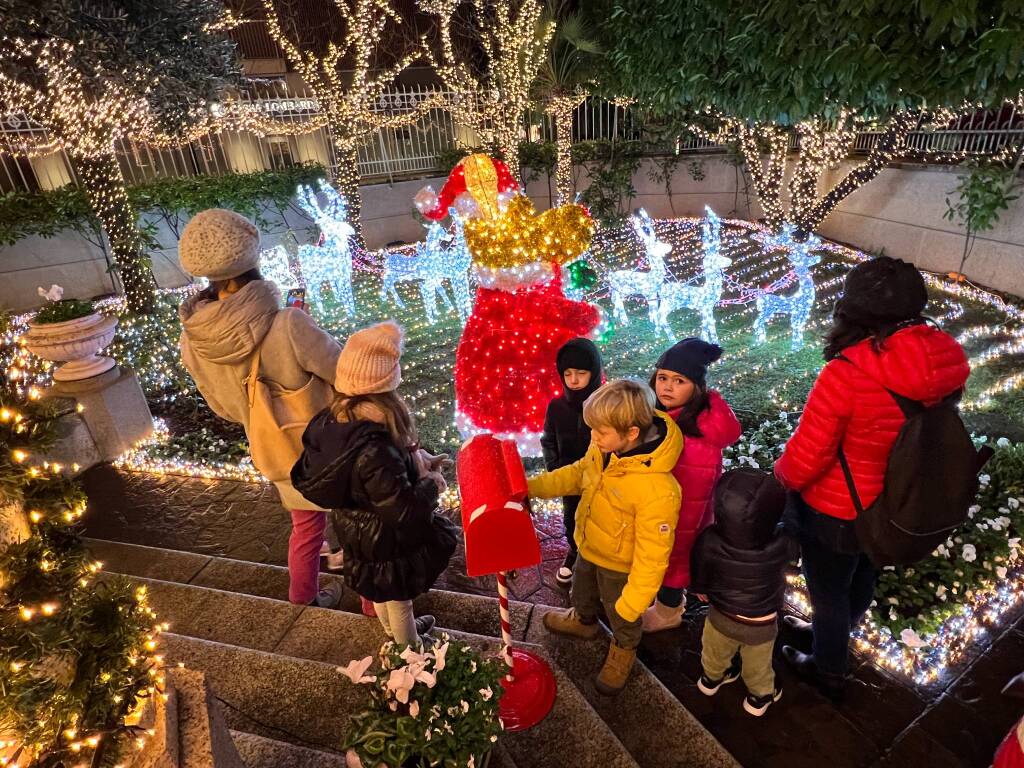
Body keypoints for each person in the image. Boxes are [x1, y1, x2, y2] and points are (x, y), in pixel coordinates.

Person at [774, 256, 969, 699]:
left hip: (839, 508)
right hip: (900, 503)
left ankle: (828, 668)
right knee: (863, 574)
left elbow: (810, 454)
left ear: (852, 310)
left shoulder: (848, 371)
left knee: (828, 592)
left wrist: (779, 479)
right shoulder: (946, 356)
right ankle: (834, 634)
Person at [178, 208, 346, 608]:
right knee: (357, 523)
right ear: (250, 259)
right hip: (333, 448)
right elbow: (346, 373)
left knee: (305, 529)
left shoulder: (192, 340)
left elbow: (223, 407)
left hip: (275, 452)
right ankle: (375, 607)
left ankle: (302, 604)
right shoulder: (288, 323)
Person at [291, 321, 457, 648]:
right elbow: (402, 509)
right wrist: (432, 485)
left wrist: (420, 460)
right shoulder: (374, 444)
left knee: (381, 591)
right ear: (385, 385)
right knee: (398, 598)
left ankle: (396, 632)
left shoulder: (338, 420)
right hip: (384, 535)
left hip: (358, 530)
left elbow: (383, 476)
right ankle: (409, 652)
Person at [528, 379, 682, 695]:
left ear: (632, 434)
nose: (592, 438)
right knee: (581, 590)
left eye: (600, 432)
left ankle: (623, 650)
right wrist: (533, 487)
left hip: (620, 567)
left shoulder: (658, 490)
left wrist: (635, 600)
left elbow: (653, 554)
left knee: (620, 613)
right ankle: (584, 622)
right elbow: (577, 475)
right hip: (590, 544)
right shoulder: (604, 449)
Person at [644, 338, 741, 632]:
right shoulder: (665, 416)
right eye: (662, 378)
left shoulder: (698, 433)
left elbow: (695, 490)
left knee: (676, 558)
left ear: (696, 387)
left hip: (680, 514)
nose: (667, 387)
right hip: (661, 507)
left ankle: (667, 612)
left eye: (679, 380)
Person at [689, 468, 794, 716]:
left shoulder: (710, 539)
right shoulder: (783, 541)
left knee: (714, 650)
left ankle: (710, 679)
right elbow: (794, 557)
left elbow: (700, 566)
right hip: (760, 622)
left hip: (720, 613)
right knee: (757, 664)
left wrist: (700, 589)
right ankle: (759, 697)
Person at [540, 337, 604, 587]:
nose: (574, 379)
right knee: (571, 518)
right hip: (568, 476)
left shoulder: (603, 406)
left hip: (598, 479)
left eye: (581, 372)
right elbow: (548, 439)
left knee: (599, 519)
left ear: (594, 372)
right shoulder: (557, 407)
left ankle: (597, 560)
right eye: (568, 373)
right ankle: (575, 552)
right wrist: (554, 465)